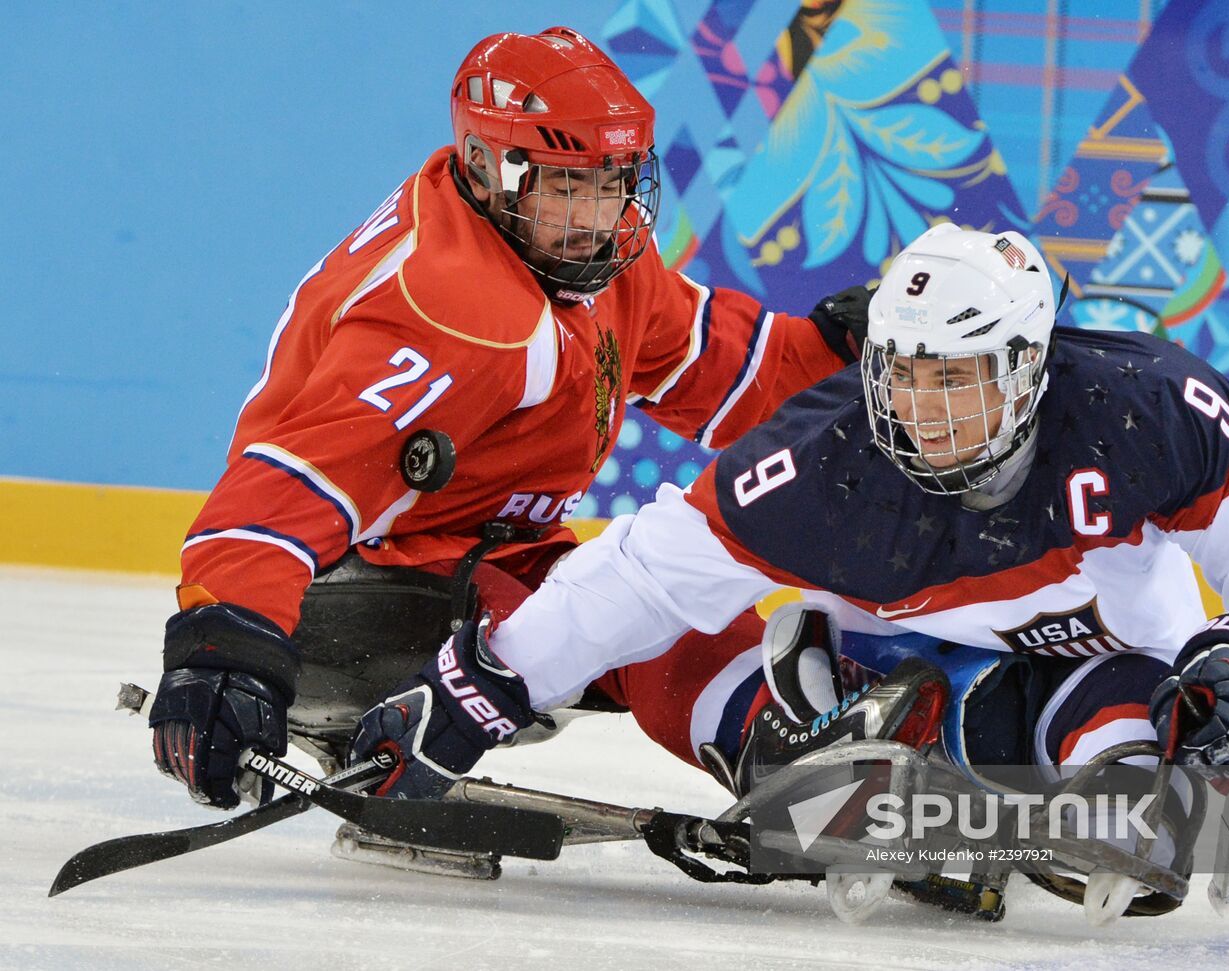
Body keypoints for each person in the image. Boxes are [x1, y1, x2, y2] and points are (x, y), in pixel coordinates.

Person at [145, 26, 871, 813]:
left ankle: (820, 764)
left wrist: (848, 360)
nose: (598, 214)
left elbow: (717, 366)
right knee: (618, 618)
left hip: (481, 556)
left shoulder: (580, 256)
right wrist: (222, 650)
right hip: (350, 594)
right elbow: (286, 487)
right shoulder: (451, 308)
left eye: (613, 181)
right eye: (567, 184)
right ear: (490, 170)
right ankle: (811, 787)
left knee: (646, 597)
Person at [477, 224, 1229, 867]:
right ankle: (803, 747)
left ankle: (925, 759)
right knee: (668, 640)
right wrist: (475, 691)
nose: (926, 408)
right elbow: (640, 574)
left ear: (1030, 363)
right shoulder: (824, 454)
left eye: (957, 376)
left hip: (1105, 669)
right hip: (883, 665)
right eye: (905, 372)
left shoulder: (1145, 407)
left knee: (1144, 829)